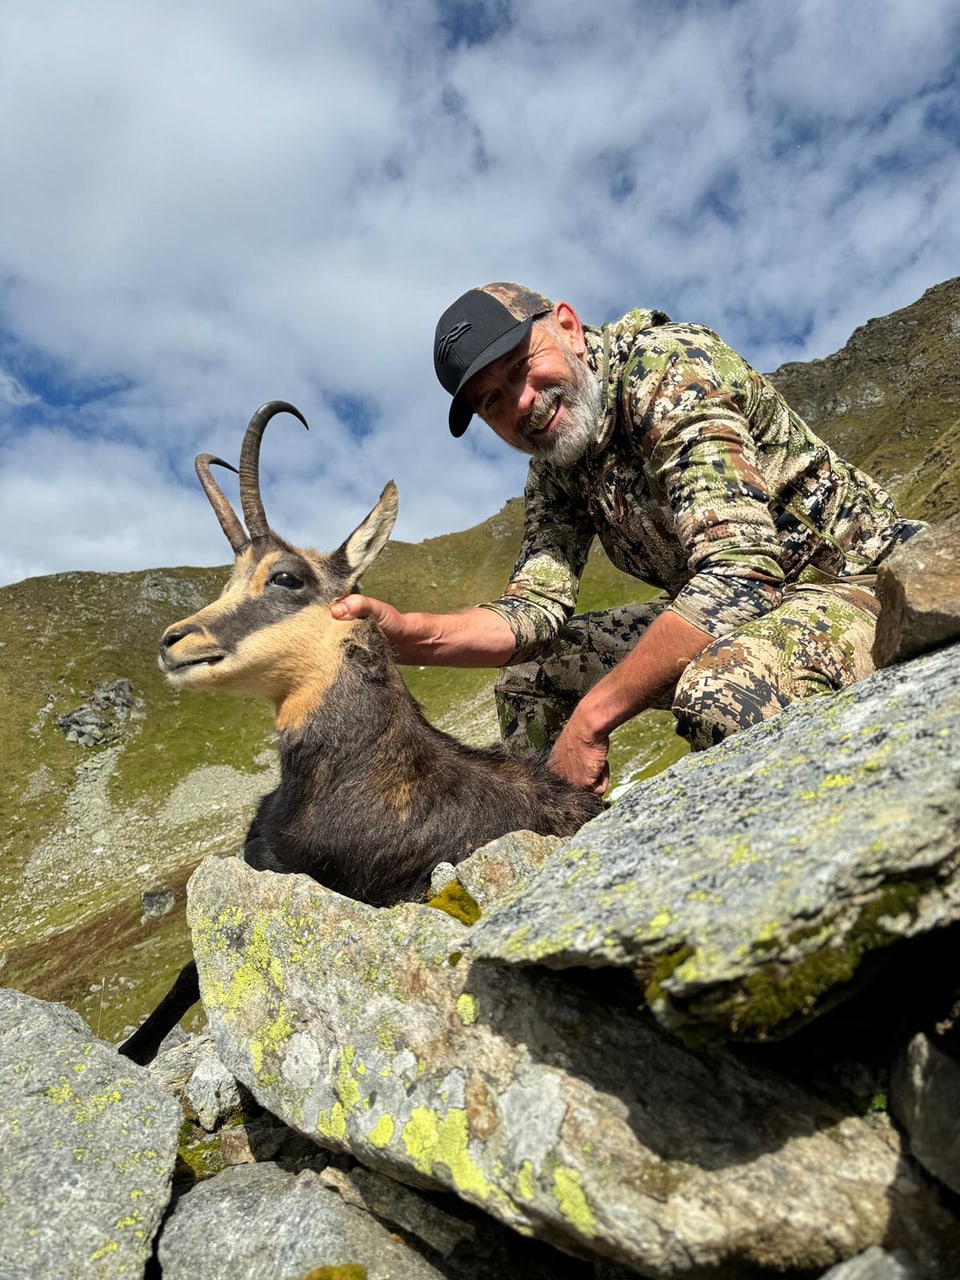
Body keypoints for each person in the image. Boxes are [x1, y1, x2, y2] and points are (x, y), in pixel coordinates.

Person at [331, 282, 924, 795]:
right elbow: (535, 610)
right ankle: (562, 853)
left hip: (865, 586)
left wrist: (591, 719)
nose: (522, 403)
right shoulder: (556, 465)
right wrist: (406, 635)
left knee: (722, 688)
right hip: (747, 607)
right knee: (528, 679)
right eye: (491, 402)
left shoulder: (668, 368)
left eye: (519, 368)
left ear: (567, 326)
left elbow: (741, 573)